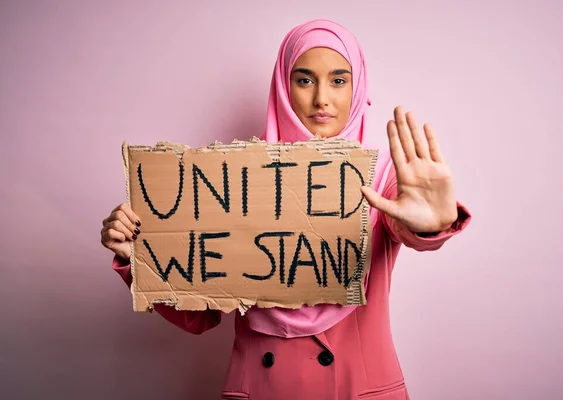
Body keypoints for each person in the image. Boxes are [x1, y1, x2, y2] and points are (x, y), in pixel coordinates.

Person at [101, 19, 471, 399]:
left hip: (356, 389)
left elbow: (406, 224)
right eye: (305, 79)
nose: (322, 98)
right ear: (283, 85)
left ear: (358, 87)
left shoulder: (383, 175)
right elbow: (200, 315)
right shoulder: (234, 174)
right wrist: (141, 260)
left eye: (339, 81)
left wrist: (433, 224)